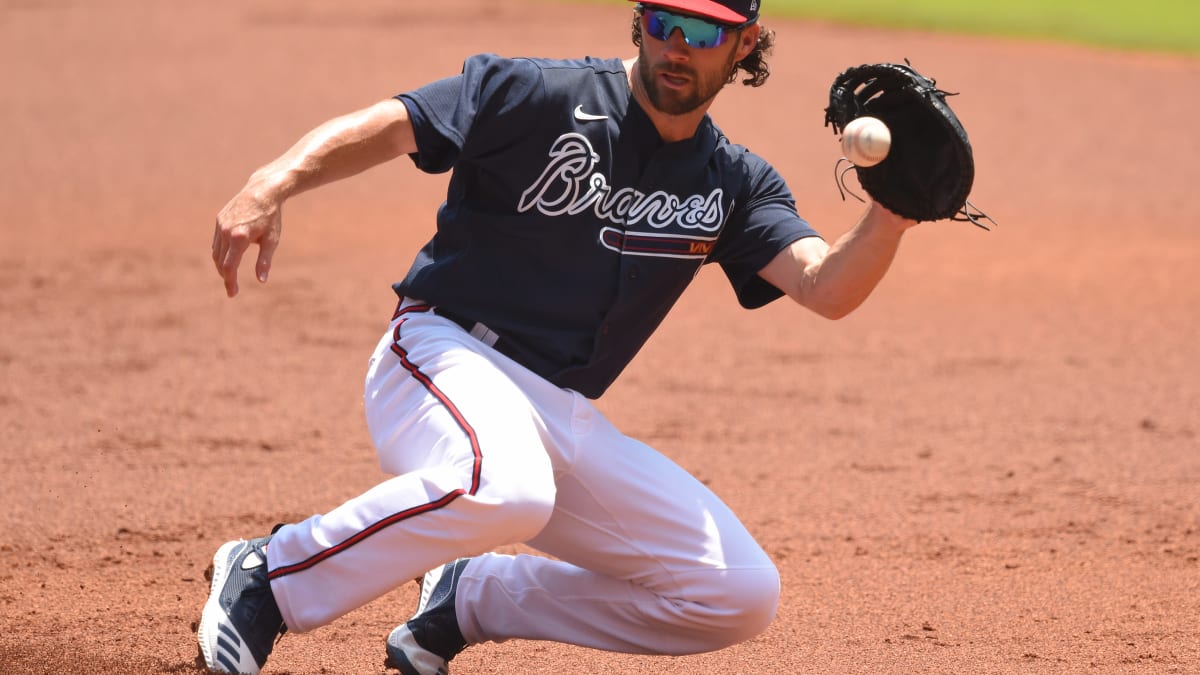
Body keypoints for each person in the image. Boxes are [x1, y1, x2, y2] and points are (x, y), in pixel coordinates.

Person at [199, 1, 920, 673]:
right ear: (639, 22)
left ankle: (473, 596)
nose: (678, 47)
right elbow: (395, 122)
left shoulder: (733, 181)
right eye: (666, 21)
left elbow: (825, 287)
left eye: (703, 33)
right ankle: (273, 573)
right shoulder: (539, 94)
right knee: (508, 487)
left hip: (560, 412)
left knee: (737, 590)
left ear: (744, 46)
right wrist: (273, 182)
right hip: (442, 351)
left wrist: (893, 214)